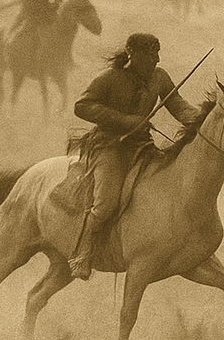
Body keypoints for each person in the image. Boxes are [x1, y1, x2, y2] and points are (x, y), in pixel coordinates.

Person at [69, 32, 198, 280]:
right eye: (151, 55)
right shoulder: (110, 78)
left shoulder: (160, 78)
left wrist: (203, 120)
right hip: (109, 145)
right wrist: (127, 121)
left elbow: (178, 105)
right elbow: (82, 106)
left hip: (141, 146)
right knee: (106, 202)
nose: (157, 60)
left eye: (157, 53)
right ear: (133, 54)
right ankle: (82, 253)